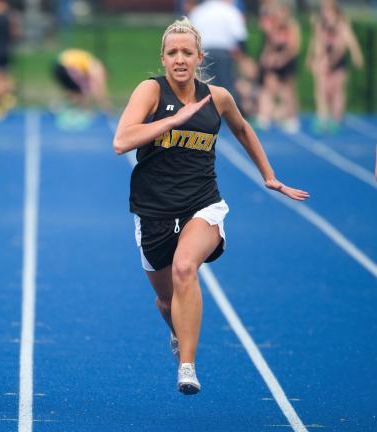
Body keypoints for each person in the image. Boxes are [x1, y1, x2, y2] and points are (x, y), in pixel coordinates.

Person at [112, 17, 308, 395]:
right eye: (173, 53)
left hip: (203, 205)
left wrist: (269, 175)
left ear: (200, 57)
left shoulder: (217, 98)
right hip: (153, 209)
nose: (180, 59)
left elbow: (243, 129)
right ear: (164, 59)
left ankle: (187, 366)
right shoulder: (150, 91)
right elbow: (122, 141)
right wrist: (173, 121)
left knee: (186, 267)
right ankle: (177, 331)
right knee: (167, 302)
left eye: (187, 52)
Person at [307, 0, 363, 134]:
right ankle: (322, 118)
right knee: (321, 89)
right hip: (325, 60)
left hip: (337, 62)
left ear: (334, 12)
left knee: (337, 91)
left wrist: (357, 55)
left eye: (327, 10)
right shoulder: (320, 24)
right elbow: (316, 42)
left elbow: (347, 43)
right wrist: (313, 58)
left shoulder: (342, 24)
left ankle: (336, 119)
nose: (324, 13)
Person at [188, 0, 247, 103]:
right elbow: (240, 37)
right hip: (224, 54)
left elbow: (190, 36)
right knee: (227, 86)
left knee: (204, 87)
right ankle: (229, 114)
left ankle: (205, 113)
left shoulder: (198, 11)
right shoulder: (231, 11)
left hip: (202, 53)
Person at [255, 1, 301, 133]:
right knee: (269, 87)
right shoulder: (274, 26)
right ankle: (264, 117)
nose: (280, 16)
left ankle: (291, 118)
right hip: (275, 61)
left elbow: (294, 47)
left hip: (287, 61)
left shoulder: (292, 26)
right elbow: (270, 44)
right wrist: (267, 57)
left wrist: (282, 58)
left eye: (282, 13)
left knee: (287, 90)